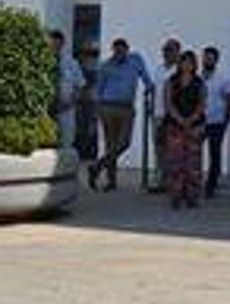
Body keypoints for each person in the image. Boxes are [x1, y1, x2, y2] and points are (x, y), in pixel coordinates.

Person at [90, 38, 152, 192]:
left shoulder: (135, 60)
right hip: (108, 107)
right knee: (111, 144)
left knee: (124, 143)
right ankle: (112, 182)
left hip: (126, 108)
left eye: (122, 51)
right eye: (116, 51)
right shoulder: (105, 66)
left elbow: (145, 78)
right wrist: (97, 110)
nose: (119, 54)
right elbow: (98, 89)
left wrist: (149, 87)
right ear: (113, 51)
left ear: (127, 49)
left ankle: (98, 165)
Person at [163, 50, 206, 209]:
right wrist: (180, 119)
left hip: (195, 126)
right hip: (175, 125)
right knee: (175, 161)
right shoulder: (171, 81)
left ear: (195, 64)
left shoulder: (199, 82)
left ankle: (192, 195)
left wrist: (192, 119)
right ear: (179, 64)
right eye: (184, 62)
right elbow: (168, 103)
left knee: (193, 162)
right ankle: (175, 194)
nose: (187, 65)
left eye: (190, 62)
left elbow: (202, 104)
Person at [200, 46, 230, 199]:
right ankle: (194, 182)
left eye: (210, 58)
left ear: (216, 60)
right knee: (195, 153)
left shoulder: (223, 78)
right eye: (205, 57)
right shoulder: (197, 77)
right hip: (199, 121)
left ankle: (211, 186)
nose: (207, 60)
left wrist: (227, 119)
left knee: (215, 154)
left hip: (216, 122)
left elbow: (228, 99)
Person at [149, 38, 182, 191]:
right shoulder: (159, 69)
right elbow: (155, 90)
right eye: (165, 50)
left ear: (177, 52)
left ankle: (173, 181)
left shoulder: (180, 70)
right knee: (159, 148)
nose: (166, 53)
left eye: (170, 50)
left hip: (174, 115)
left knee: (174, 149)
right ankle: (160, 180)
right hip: (158, 113)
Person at [47, 29, 85, 151]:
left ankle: (64, 168)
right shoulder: (42, 61)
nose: (54, 47)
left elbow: (79, 85)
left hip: (66, 108)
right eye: (52, 44)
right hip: (46, 108)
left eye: (57, 44)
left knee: (66, 141)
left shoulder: (71, 63)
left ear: (62, 44)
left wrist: (70, 103)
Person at [74, 41, 101, 165]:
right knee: (85, 126)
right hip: (86, 99)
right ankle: (85, 152)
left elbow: (89, 81)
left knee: (89, 127)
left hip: (91, 98)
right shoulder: (86, 63)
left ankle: (87, 152)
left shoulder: (92, 63)